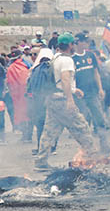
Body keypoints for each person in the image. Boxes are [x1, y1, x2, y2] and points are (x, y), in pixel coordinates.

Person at [34, 33, 97, 170]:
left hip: (52, 99)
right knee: (82, 127)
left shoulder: (55, 58)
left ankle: (40, 161)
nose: (74, 46)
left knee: (49, 132)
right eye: (73, 43)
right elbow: (65, 79)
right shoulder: (67, 60)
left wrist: (75, 90)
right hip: (62, 101)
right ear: (70, 45)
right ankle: (91, 156)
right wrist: (70, 100)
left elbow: (59, 81)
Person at [72, 33, 110, 153]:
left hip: (93, 93)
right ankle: (87, 148)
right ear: (78, 42)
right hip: (80, 96)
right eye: (85, 41)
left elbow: (96, 73)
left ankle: (104, 145)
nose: (87, 43)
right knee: (83, 121)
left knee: (99, 118)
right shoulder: (72, 58)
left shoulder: (91, 55)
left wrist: (100, 89)